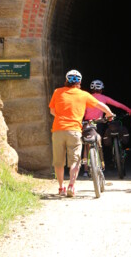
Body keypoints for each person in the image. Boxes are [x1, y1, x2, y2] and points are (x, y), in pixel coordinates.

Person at [49, 69, 115, 197]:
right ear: (79, 82)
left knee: (58, 161)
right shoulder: (83, 94)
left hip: (58, 130)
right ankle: (71, 186)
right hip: (74, 130)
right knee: (75, 160)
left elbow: (52, 111)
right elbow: (101, 106)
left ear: (66, 80)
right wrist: (109, 114)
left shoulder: (57, 92)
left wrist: (63, 117)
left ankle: (61, 187)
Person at [79, 79, 131, 177]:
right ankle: (101, 165)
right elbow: (118, 104)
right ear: (102, 89)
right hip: (98, 123)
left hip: (87, 123)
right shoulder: (104, 98)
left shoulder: (87, 97)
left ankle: (85, 171)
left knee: (86, 146)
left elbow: (80, 110)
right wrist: (129, 110)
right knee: (98, 142)